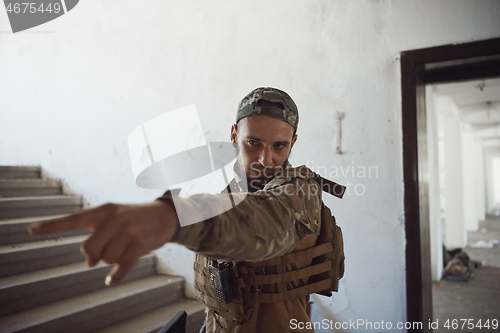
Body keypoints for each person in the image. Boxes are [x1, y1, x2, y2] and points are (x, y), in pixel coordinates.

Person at [30, 87, 343, 333]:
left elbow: (261, 225)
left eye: (279, 146)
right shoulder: (224, 185)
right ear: (234, 135)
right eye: (253, 143)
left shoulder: (301, 191)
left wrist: (173, 217)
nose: (265, 158)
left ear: (294, 143)